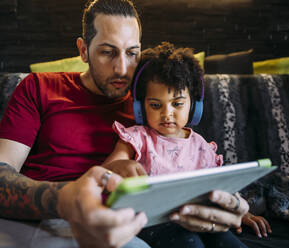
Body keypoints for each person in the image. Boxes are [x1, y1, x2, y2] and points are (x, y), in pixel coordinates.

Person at [0, 0, 251, 247]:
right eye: (108, 52)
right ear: (83, 50)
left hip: (120, 226)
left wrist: (232, 204)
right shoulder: (39, 87)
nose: (122, 69)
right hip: (37, 219)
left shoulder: (153, 105)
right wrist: (70, 198)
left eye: (132, 53)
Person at [102, 42, 272, 247]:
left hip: (197, 218)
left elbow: (218, 191)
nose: (167, 114)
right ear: (139, 107)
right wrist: (118, 167)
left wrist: (241, 213)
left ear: (195, 105)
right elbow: (103, 172)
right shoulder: (136, 138)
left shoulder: (202, 146)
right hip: (152, 223)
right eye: (155, 105)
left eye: (177, 104)